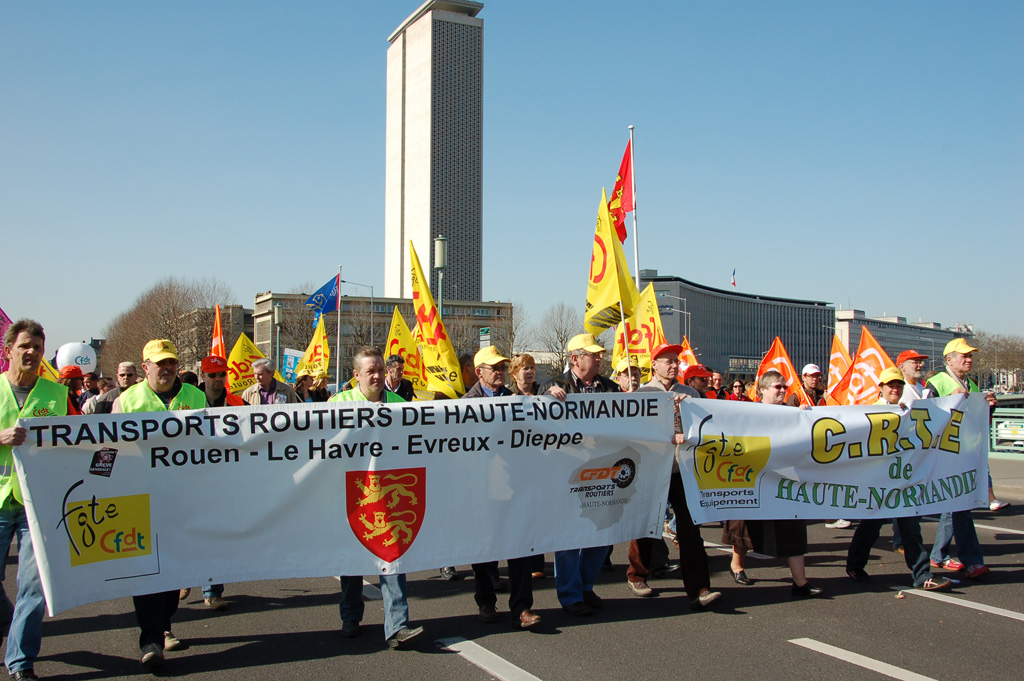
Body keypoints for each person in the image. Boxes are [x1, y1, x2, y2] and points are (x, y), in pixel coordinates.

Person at [112, 339, 207, 669]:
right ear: (145, 368)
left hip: (183, 499)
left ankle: (164, 621)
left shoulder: (195, 397)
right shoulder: (127, 402)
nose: (166, 368)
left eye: (171, 362)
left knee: (174, 572)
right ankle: (151, 638)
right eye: (159, 363)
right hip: (141, 499)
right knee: (146, 571)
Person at [329, 347, 425, 648]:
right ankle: (351, 615)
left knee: (392, 558)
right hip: (353, 494)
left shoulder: (398, 404)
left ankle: (397, 625)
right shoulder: (337, 403)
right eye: (371, 370)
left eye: (381, 370)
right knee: (353, 561)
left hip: (390, 493)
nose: (378, 375)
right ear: (356, 375)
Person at [0, 319, 69, 680]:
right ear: (9, 349)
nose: (31, 353)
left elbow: (69, 443)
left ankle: (20, 661)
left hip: (36, 503)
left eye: (38, 348)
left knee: (33, 586)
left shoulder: (56, 393)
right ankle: (8, 623)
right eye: (25, 346)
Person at [629, 343, 721, 610]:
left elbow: (707, 426)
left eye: (675, 361)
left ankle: (699, 587)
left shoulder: (689, 392)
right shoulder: (643, 393)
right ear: (654, 365)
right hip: (653, 469)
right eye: (667, 361)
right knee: (647, 523)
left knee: (690, 529)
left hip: (683, 470)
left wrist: (687, 423)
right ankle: (637, 573)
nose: (673, 365)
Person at [844, 367, 951, 591]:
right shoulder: (871, 411)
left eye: (899, 385)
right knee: (870, 527)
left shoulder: (908, 411)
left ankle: (922, 575)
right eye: (890, 385)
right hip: (878, 483)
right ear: (880, 389)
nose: (895, 389)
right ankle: (855, 566)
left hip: (901, 481)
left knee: (911, 529)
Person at [722, 370, 823, 598]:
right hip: (754, 478)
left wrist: (807, 417)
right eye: (777, 387)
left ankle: (800, 582)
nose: (782, 390)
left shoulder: (793, 414)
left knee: (793, 527)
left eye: (784, 387)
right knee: (745, 526)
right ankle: (736, 565)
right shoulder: (748, 413)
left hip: (784, 481)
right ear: (763, 391)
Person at [464, 346, 542, 628]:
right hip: (482, 489)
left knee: (520, 548)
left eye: (501, 367)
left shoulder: (516, 399)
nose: (499, 372)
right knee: (484, 550)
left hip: (514, 486)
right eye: (493, 368)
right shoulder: (465, 404)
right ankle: (485, 601)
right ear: (479, 373)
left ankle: (522, 608)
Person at [542, 333, 618, 616]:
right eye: (593, 355)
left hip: (603, 470)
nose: (599, 359)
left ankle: (586, 586)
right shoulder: (553, 386)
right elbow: (539, 427)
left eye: (600, 355)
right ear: (575, 359)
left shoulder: (610, 389)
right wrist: (547, 399)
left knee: (602, 534)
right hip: (567, 473)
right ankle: (571, 595)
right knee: (568, 537)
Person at [924, 338, 995, 580]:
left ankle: (938, 554)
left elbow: (978, 421)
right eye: (963, 355)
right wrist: (946, 401)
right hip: (943, 454)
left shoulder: (972, 385)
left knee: (953, 505)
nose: (969, 359)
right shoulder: (936, 383)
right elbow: (922, 415)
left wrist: (989, 407)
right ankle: (973, 561)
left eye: (970, 355)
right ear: (949, 360)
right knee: (961, 505)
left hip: (965, 453)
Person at [190, 354, 245, 610]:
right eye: (212, 375)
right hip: (193, 478)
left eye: (221, 375)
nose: (217, 380)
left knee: (217, 533)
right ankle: (192, 578)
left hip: (227, 479)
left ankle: (213, 588)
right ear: (203, 376)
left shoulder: (239, 404)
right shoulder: (189, 402)